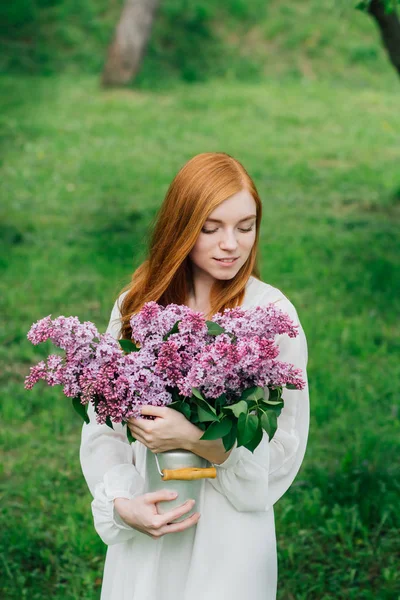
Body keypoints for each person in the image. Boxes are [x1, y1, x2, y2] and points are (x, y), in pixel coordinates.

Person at [80, 152, 310, 600]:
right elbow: (101, 426)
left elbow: (284, 446)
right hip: (151, 519)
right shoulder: (136, 304)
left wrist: (191, 437)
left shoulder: (273, 316)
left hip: (229, 537)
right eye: (211, 228)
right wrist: (122, 504)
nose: (231, 244)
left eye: (246, 226)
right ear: (181, 226)